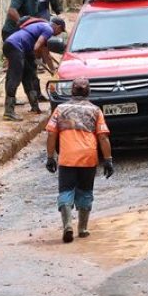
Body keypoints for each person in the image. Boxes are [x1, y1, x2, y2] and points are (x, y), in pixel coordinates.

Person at [45, 77, 113, 243]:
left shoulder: (60, 109)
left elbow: (51, 133)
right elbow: (103, 137)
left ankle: (68, 225)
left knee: (66, 191)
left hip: (67, 157)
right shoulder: (95, 111)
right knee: (85, 191)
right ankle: (82, 229)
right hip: (88, 158)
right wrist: (108, 160)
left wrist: (50, 157)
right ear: (89, 92)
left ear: (71, 91)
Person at [3, 0, 58, 107]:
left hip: (24, 35)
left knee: (30, 66)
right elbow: (11, 11)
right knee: (15, 67)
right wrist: (23, 23)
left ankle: (35, 98)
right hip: (12, 33)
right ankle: (10, 100)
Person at [3, 16, 65, 121]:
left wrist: (53, 71)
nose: (59, 33)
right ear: (58, 27)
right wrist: (35, 57)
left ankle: (35, 107)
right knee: (15, 77)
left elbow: (46, 54)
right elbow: (37, 46)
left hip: (17, 47)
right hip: (15, 46)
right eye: (61, 30)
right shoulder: (48, 29)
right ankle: (8, 112)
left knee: (29, 75)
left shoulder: (43, 28)